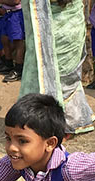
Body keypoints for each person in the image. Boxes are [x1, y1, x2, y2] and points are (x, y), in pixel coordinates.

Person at [19, 0, 94, 135]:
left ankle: (55, 125)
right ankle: (68, 121)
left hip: (60, 31)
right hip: (71, 25)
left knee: (56, 77)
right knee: (65, 79)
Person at [0, 0, 25, 82]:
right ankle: (8, 64)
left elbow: (16, 1)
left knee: (18, 42)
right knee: (4, 38)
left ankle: (18, 69)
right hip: (7, 13)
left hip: (17, 13)